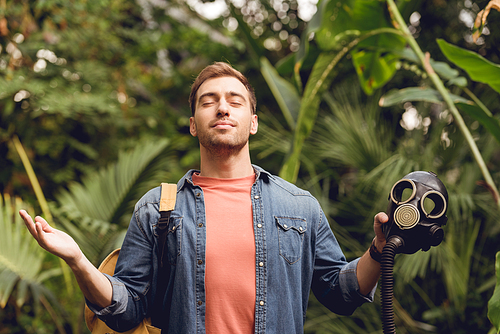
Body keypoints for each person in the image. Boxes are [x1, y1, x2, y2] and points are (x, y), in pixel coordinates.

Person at [20, 62, 389, 333]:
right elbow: (127, 310)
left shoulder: (299, 207)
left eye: (235, 101)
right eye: (209, 101)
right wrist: (78, 262)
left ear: (253, 121)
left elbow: (341, 292)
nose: (223, 108)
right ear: (194, 123)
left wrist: (378, 249)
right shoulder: (157, 209)